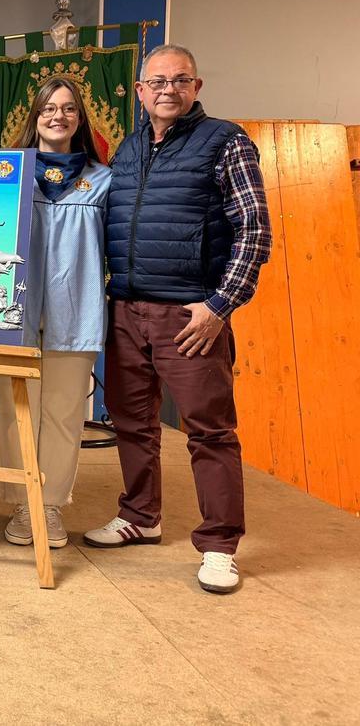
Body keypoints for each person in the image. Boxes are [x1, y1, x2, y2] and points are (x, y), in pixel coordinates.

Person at [84, 44, 272, 595]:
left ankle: (219, 545)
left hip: (190, 314)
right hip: (126, 308)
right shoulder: (129, 148)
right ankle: (141, 516)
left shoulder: (226, 142)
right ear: (140, 91)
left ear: (197, 86)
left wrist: (220, 305)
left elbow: (254, 230)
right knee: (131, 422)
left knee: (209, 430)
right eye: (157, 82)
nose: (168, 90)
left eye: (180, 80)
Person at [0, 76, 109, 550]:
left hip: (74, 311)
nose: (57, 116)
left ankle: (52, 505)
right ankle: (23, 503)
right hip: (13, 314)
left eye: (68, 109)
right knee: (15, 411)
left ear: (79, 120)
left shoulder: (103, 180)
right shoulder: (7, 177)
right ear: (35, 117)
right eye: (48, 108)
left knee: (62, 414)